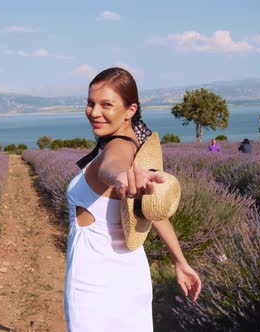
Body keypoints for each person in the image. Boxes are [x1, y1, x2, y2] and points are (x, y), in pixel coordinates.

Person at [65, 67, 201, 332]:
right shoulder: (132, 147)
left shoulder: (120, 146)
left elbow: (111, 166)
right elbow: (152, 211)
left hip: (92, 283)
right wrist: (180, 261)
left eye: (106, 105)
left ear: (130, 110)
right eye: (90, 103)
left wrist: (118, 178)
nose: (94, 112)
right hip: (132, 276)